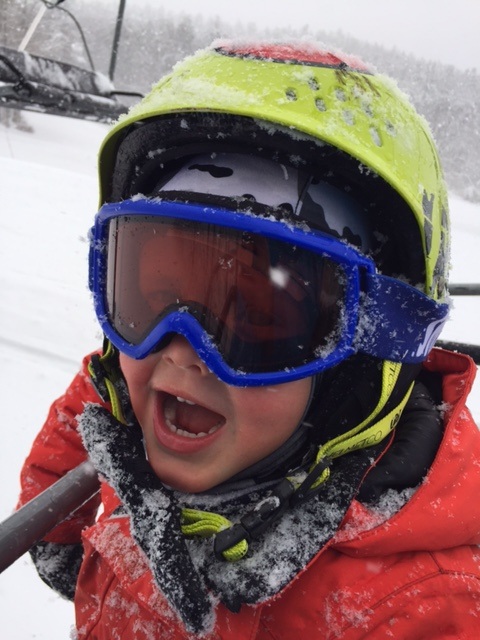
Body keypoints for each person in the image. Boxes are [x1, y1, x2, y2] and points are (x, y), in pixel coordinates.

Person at [18, 41, 480, 639]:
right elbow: (91, 418)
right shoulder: (139, 417)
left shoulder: (411, 611)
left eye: (259, 318)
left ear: (359, 365)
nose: (182, 349)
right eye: (156, 293)